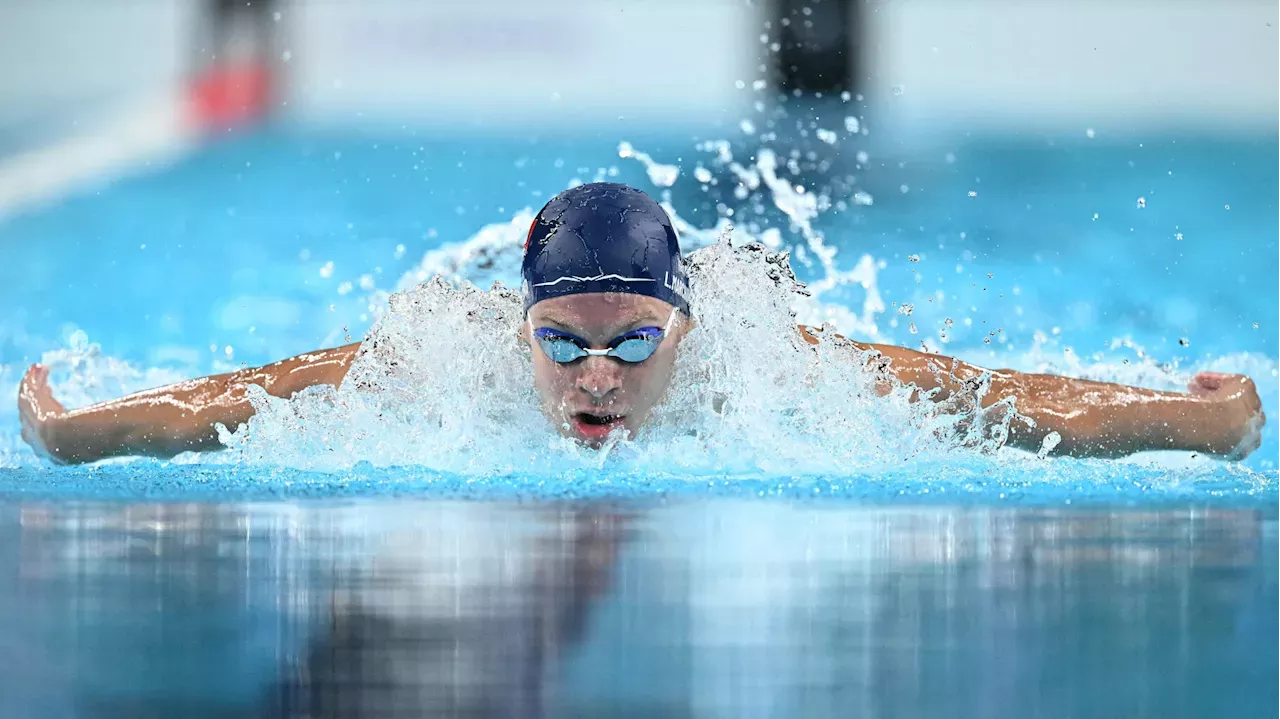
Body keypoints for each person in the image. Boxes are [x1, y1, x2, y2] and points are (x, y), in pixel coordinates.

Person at [16, 183, 1266, 465]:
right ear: (522, 329)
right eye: (562, 341)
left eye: (630, 344)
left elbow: (992, 398)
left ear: (682, 327)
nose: (595, 375)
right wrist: (87, 432)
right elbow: (252, 391)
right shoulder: (448, 355)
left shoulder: (773, 368)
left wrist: (1196, 422)